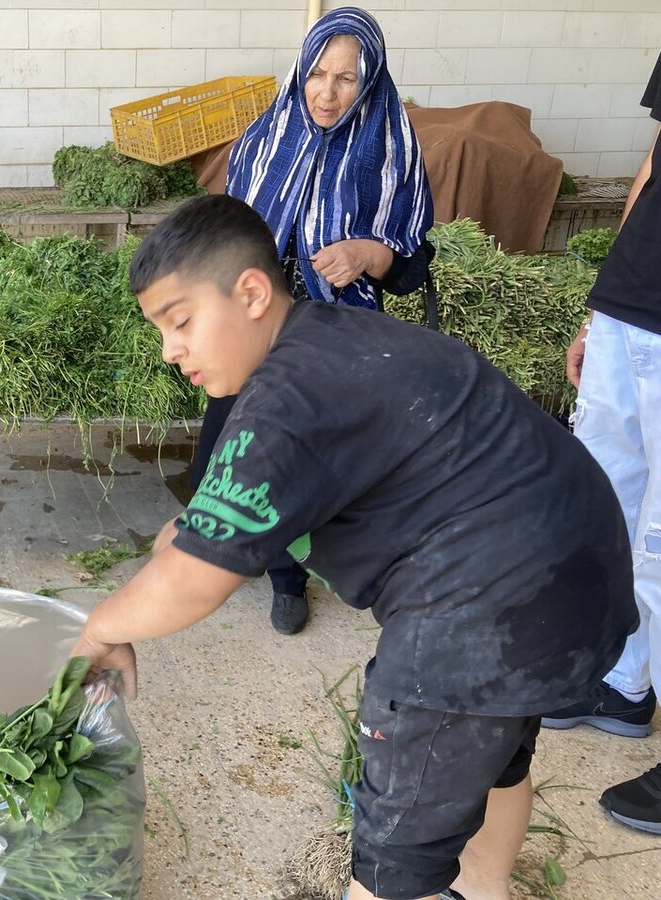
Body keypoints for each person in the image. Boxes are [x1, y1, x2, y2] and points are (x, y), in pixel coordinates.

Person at [71, 194, 637, 900]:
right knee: (491, 759)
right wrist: (178, 548)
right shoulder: (330, 340)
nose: (170, 350)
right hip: (577, 566)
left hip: (487, 604)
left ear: (249, 293)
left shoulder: (285, 401)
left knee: (396, 844)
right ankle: (483, 890)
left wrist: (101, 628)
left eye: (180, 322)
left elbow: (195, 582)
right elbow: (204, 538)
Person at [191, 7, 434, 636]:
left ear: (371, 81)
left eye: (346, 79)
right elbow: (228, 230)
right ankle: (253, 555)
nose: (327, 93)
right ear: (300, 72)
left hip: (334, 334)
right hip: (255, 328)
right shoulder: (264, 137)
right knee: (237, 447)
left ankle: (290, 575)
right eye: (317, 75)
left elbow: (411, 264)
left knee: (305, 459)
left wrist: (368, 254)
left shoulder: (392, 148)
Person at [538, 53, 661, 836]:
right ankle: (623, 683)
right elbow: (655, 163)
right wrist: (600, 308)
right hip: (633, 307)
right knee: (604, 509)